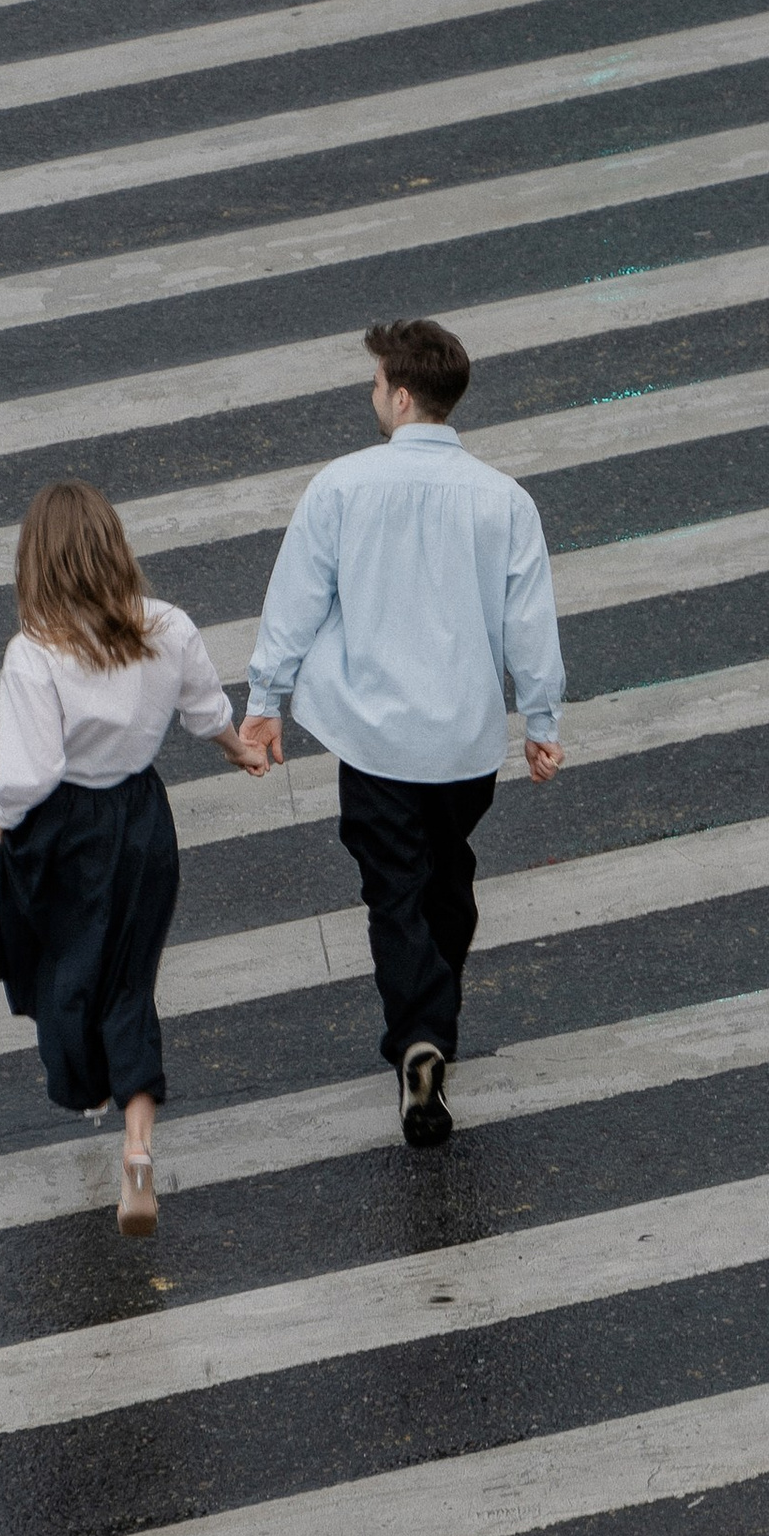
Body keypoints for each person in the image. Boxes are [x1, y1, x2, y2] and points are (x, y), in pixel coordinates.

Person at [240, 316, 567, 1150]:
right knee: (447, 879)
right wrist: (542, 719)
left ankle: (419, 1038)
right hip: (463, 742)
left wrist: (266, 698)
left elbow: (295, 602)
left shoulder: (342, 487)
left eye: (376, 383)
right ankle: (433, 1020)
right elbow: (530, 624)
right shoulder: (505, 500)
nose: (371, 394)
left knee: (395, 891)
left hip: (374, 738)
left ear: (403, 394)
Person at [0, 481, 265, 1234]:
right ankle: (138, 1148)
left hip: (62, 830)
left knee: (64, 972)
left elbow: (29, 774)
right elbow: (206, 710)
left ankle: (87, 1087)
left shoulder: (33, 651)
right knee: (132, 981)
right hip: (142, 819)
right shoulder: (166, 625)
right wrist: (238, 749)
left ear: (35, 562)